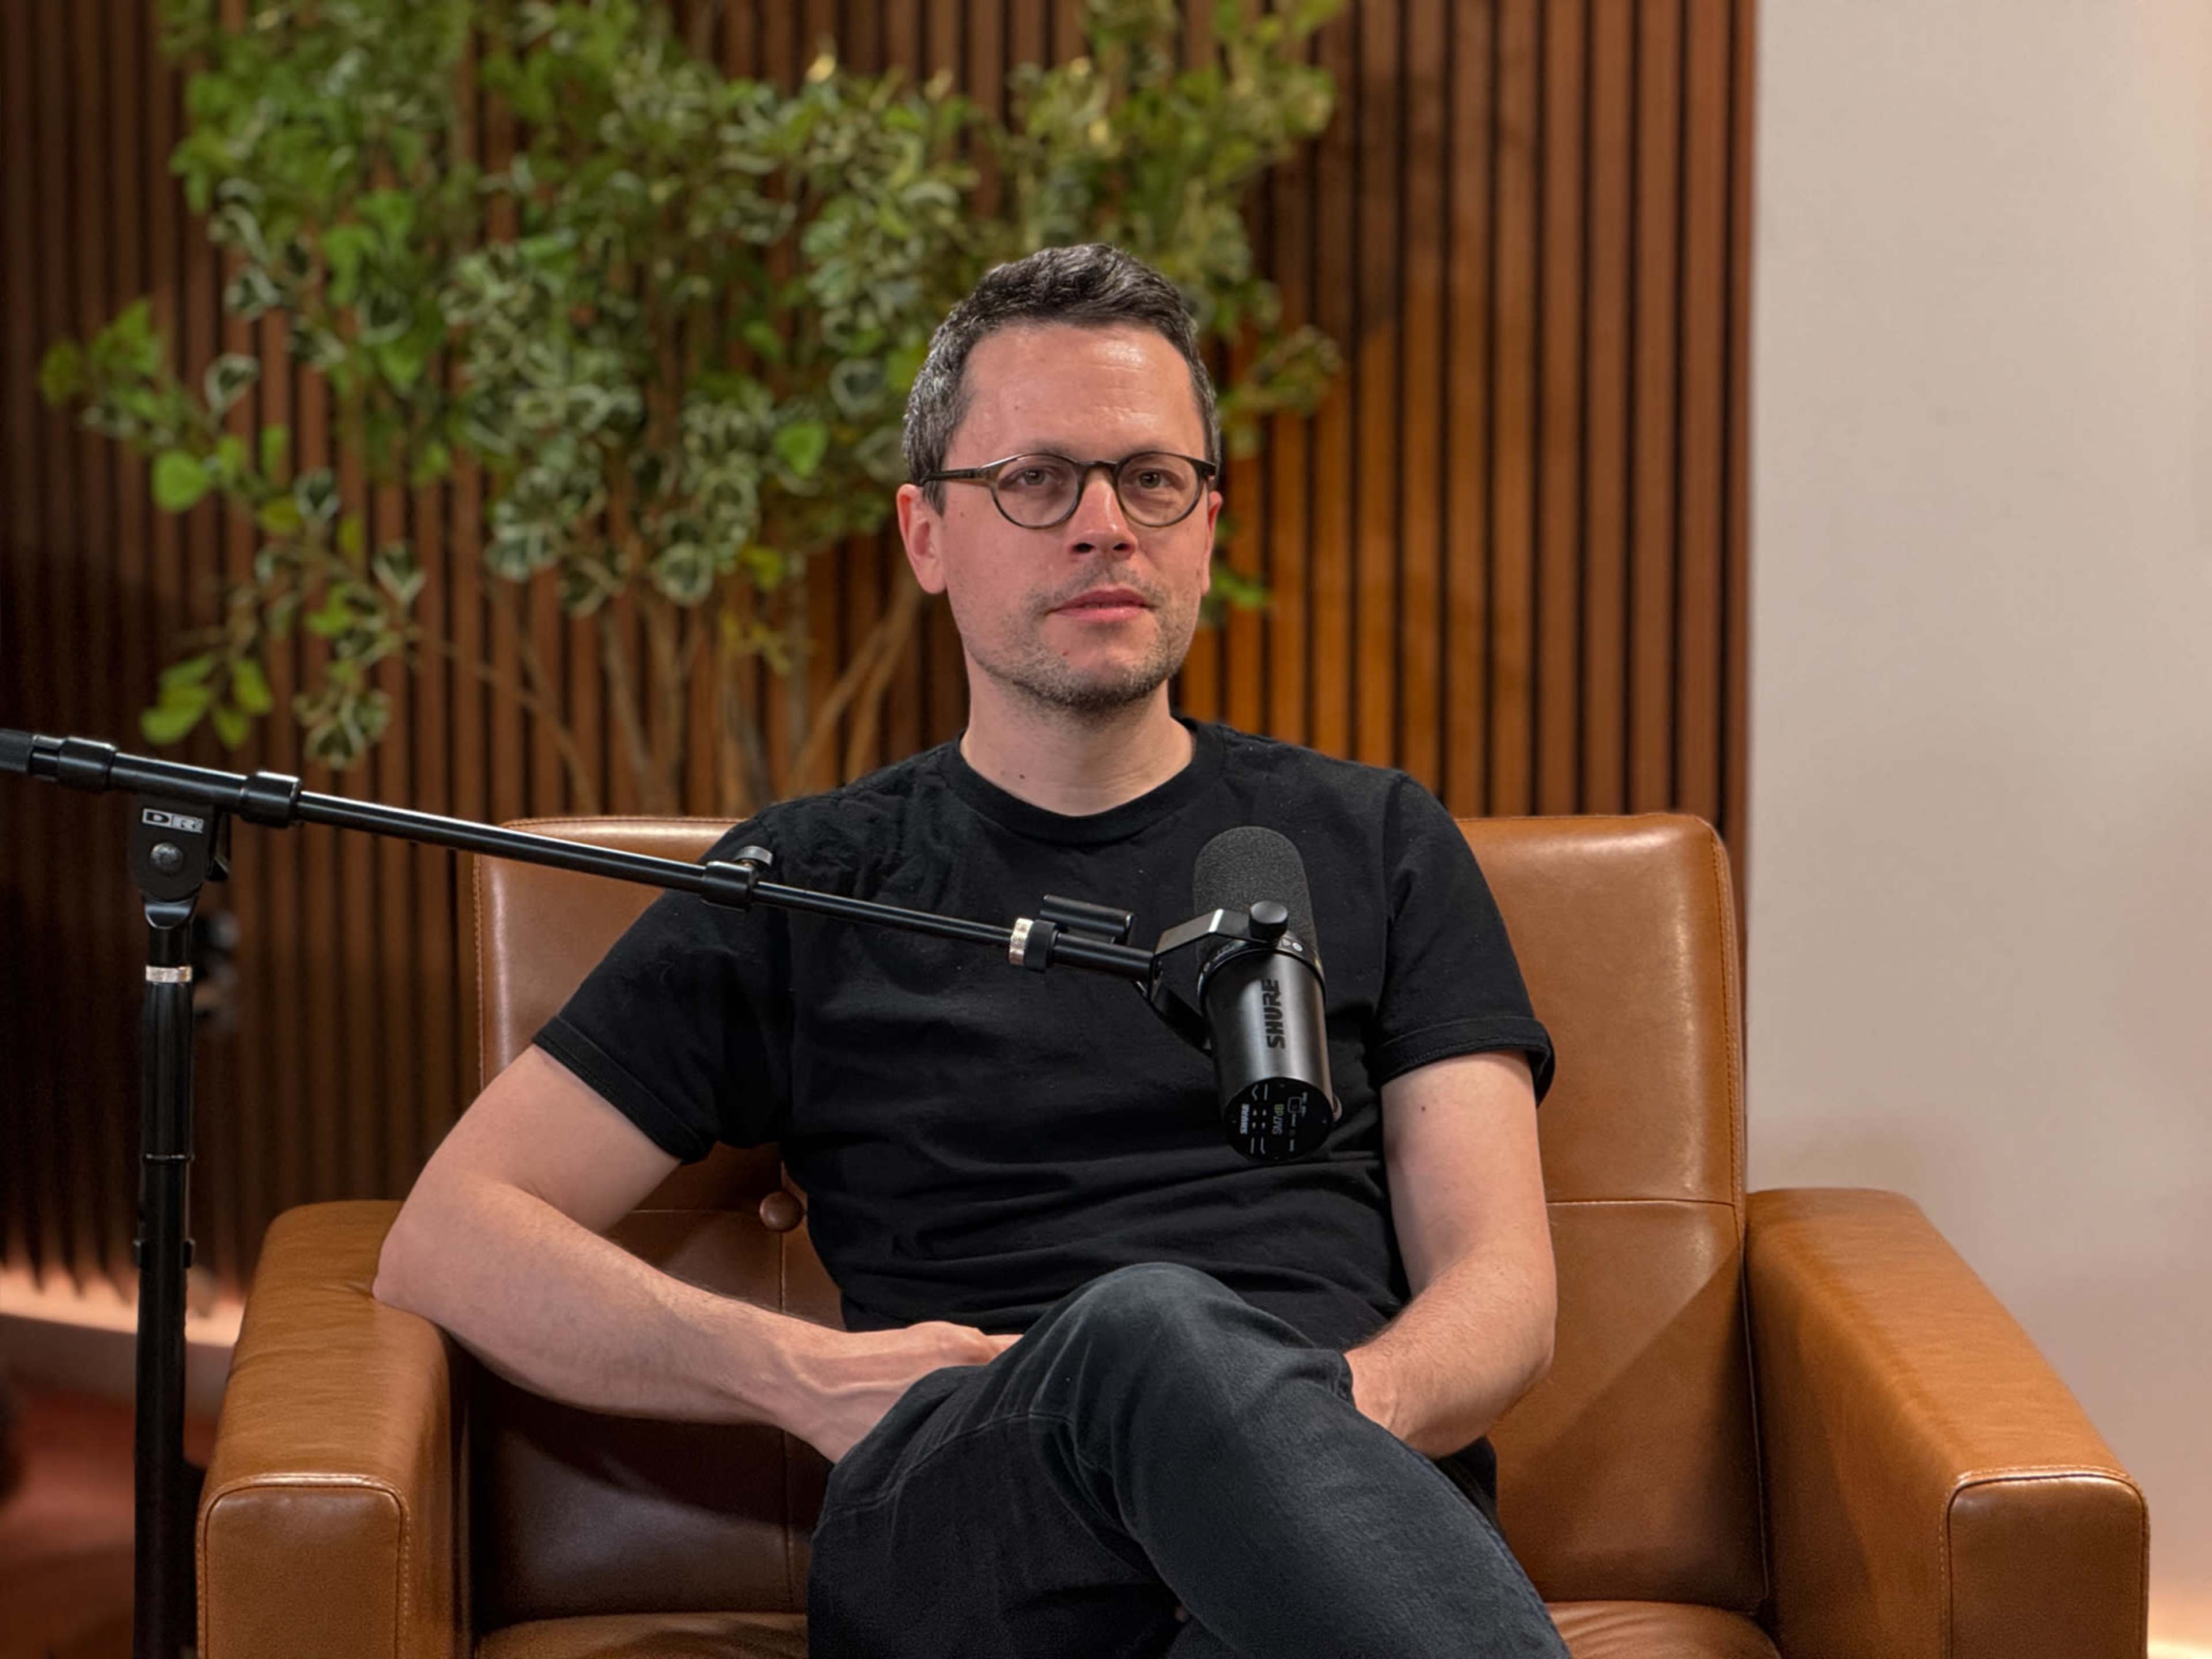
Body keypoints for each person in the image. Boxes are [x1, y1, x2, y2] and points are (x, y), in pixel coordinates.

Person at [372, 243, 1569, 1658]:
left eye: (1151, 480)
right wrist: (800, 1374)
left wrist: (1277, 1442)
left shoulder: (1375, 839)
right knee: (1150, 1332)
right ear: (926, 536)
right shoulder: (814, 879)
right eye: (1036, 482)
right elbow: (450, 1237)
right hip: (967, 1544)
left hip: (1325, 1557)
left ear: (1205, 526)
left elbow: (1502, 1290)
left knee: (1198, 1423)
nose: (1103, 526)